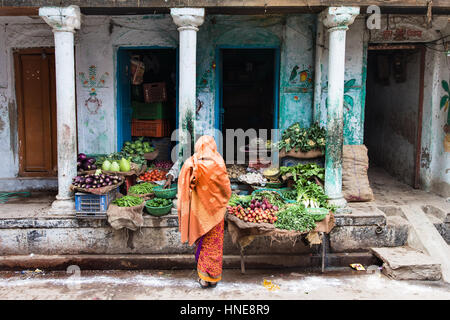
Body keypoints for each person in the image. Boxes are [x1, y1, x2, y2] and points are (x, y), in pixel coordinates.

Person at [177, 135, 231, 288]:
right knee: (214, 244)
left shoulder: (191, 163)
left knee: (203, 242)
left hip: (199, 212)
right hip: (216, 212)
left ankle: (203, 278)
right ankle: (212, 277)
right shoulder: (219, 162)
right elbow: (226, 189)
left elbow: (184, 189)